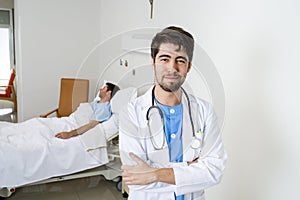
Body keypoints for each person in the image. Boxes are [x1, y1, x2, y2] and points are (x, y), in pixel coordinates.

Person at [119, 26, 227, 200]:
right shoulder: (132, 113)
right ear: (153, 62)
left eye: (180, 60)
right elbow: (136, 177)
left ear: (189, 67)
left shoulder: (204, 111)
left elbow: (214, 170)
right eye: (164, 58)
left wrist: (155, 173)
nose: (172, 68)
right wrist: (190, 169)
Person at [55, 82, 120, 139]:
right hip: (68, 121)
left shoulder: (104, 109)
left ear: (109, 93)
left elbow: (90, 125)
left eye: (104, 88)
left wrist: (69, 134)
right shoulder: (97, 102)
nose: (100, 89)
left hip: (73, 126)